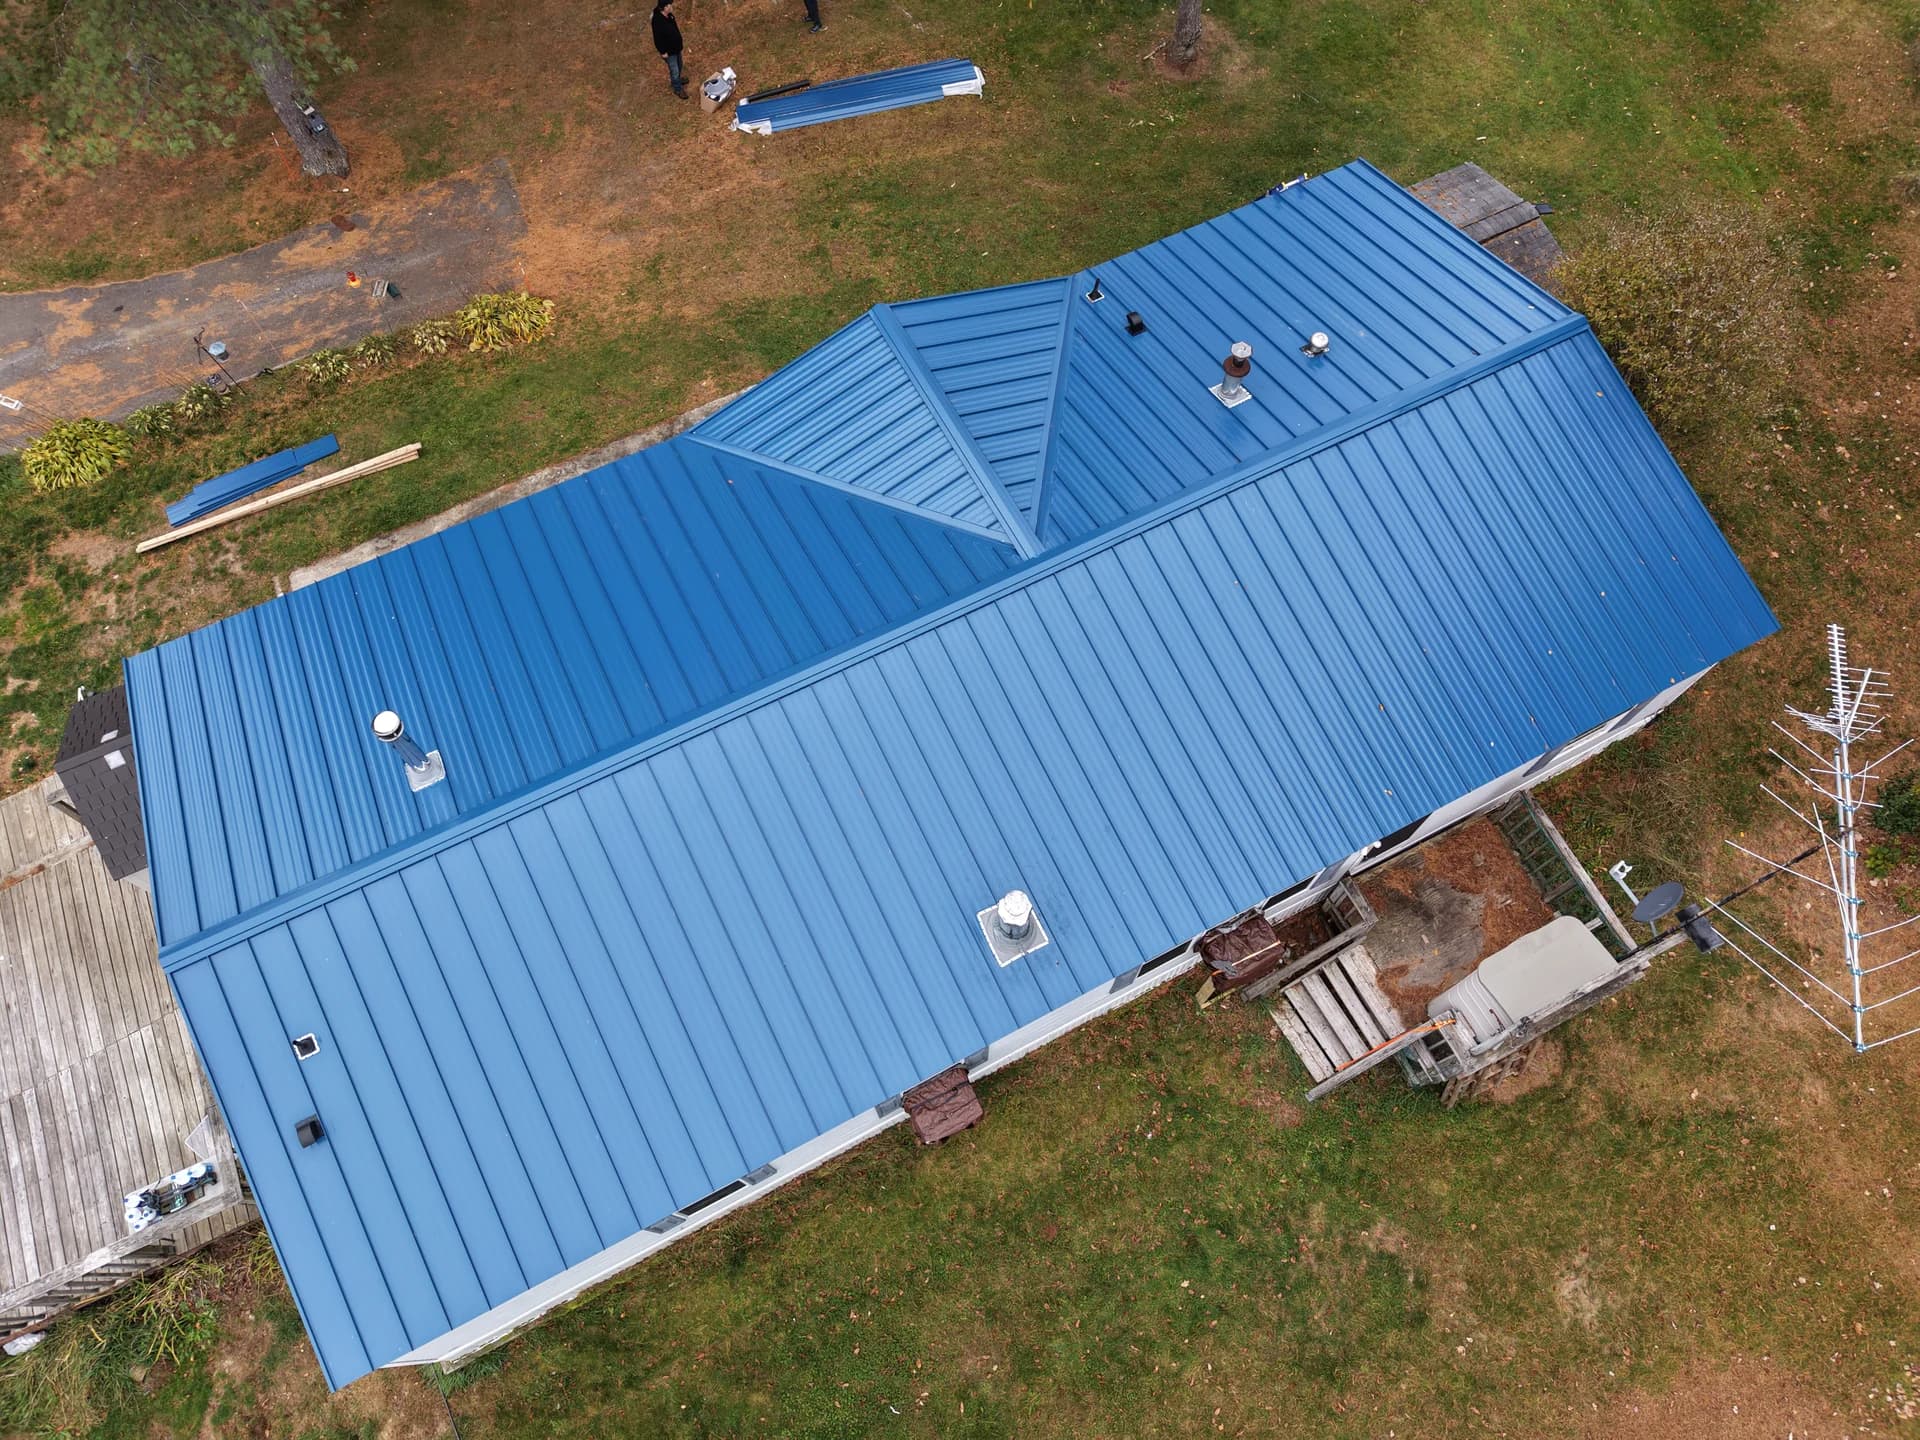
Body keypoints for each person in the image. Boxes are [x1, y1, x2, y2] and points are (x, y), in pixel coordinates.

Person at [652, 0, 688, 99]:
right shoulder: (657, 21)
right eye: (669, 5)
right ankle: (677, 88)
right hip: (669, 52)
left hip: (676, 48)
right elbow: (657, 39)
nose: (671, 6)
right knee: (674, 70)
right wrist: (663, 52)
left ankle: (677, 80)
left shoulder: (670, 16)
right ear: (664, 8)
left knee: (680, 65)